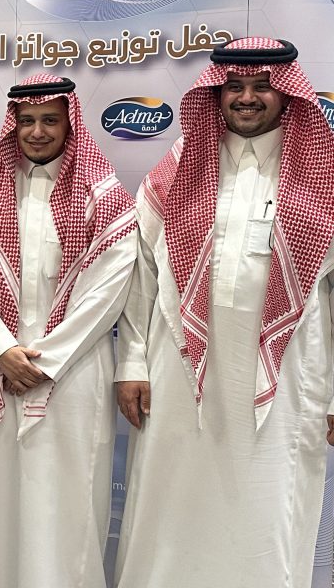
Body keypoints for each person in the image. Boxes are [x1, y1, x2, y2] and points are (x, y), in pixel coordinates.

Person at [114, 37, 334, 587]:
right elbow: (142, 277)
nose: (247, 97)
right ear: (216, 93)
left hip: (289, 380)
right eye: (234, 86)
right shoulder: (177, 169)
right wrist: (133, 363)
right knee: (171, 503)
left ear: (287, 93)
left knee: (267, 508)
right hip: (179, 371)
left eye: (262, 87)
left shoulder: (324, 173)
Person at [0, 73, 137, 588]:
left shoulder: (105, 198)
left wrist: (44, 361)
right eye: (26, 121)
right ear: (13, 126)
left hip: (71, 374)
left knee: (64, 504)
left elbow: (106, 293)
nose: (38, 131)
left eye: (49, 120)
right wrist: (2, 349)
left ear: (71, 124)